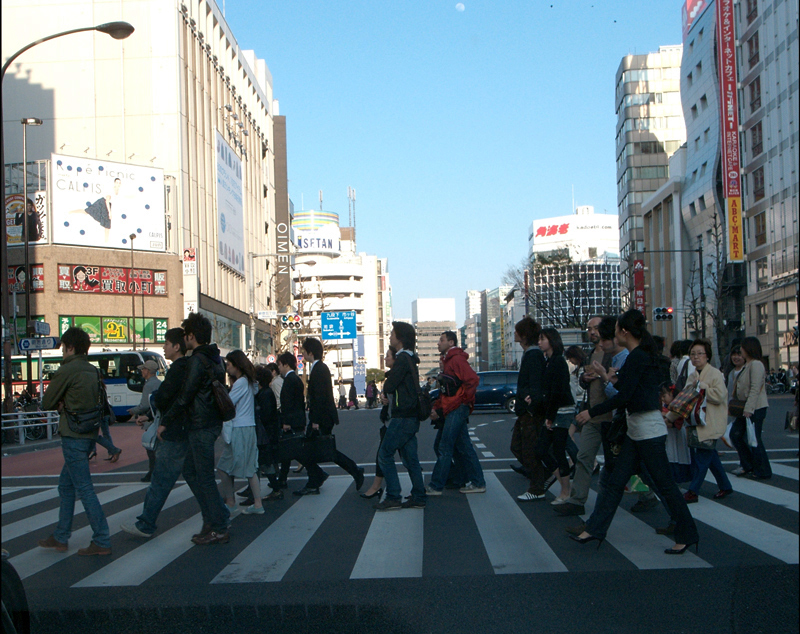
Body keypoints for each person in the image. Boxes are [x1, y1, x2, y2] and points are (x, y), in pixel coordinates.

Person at [574, 309, 699, 555]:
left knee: (665, 486)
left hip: (649, 432)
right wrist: (611, 379)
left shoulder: (638, 356)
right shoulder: (638, 356)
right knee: (614, 483)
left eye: (617, 328)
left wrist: (592, 411)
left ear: (625, 332)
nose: (613, 333)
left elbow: (627, 396)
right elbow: (634, 389)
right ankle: (595, 530)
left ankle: (688, 534)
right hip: (637, 431)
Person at [38, 327, 111, 556]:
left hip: (73, 435)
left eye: (63, 348)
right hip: (89, 433)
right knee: (66, 485)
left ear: (70, 347)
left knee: (84, 489)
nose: (62, 352)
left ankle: (102, 539)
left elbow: (47, 402)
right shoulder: (92, 370)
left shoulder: (67, 370)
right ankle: (60, 536)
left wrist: (61, 404)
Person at [160, 312, 231, 545]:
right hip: (211, 423)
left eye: (186, 335)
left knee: (203, 476)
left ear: (191, 336)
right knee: (191, 471)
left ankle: (218, 525)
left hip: (200, 424)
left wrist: (166, 421)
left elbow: (185, 396)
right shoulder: (216, 358)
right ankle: (212, 518)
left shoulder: (196, 361)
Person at [121, 328, 191, 537]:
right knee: (197, 479)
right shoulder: (187, 367)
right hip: (185, 430)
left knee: (160, 480)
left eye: (167, 343)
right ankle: (220, 518)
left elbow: (163, 399)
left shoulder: (177, 369)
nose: (164, 347)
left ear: (177, 346)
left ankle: (146, 523)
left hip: (174, 431)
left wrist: (159, 417)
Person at [553, 316, 611, 515]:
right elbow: (585, 383)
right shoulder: (589, 355)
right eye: (589, 328)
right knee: (584, 458)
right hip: (592, 415)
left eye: (596, 328)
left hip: (611, 415)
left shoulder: (615, 353)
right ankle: (577, 500)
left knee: (624, 463)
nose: (592, 332)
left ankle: (648, 496)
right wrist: (585, 379)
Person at [296, 337, 365, 496]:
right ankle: (317, 479)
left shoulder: (318, 369)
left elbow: (319, 397)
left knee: (314, 450)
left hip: (321, 418)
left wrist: (315, 421)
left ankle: (350, 471)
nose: (302, 355)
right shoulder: (320, 368)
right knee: (316, 450)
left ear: (310, 353)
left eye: (304, 352)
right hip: (324, 417)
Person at [374, 322, 427, 510]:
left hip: (402, 416)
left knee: (385, 454)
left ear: (400, 338)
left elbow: (389, 385)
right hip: (411, 415)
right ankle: (419, 495)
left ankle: (394, 496)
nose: (390, 336)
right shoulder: (411, 357)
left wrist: (387, 384)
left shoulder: (403, 358)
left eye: (392, 334)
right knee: (411, 458)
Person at [428, 331, 485, 495]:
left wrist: (463, 400)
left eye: (441, 340)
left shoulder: (456, 359)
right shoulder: (449, 360)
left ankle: (437, 485)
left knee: (445, 446)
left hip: (457, 408)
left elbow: (472, 380)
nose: (438, 343)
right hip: (454, 407)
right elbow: (447, 391)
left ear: (451, 342)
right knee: (461, 446)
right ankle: (468, 480)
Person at [680, 339, 733, 502]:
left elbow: (720, 396)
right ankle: (725, 486)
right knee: (709, 455)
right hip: (697, 421)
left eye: (700, 354)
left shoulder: (715, 374)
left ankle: (693, 491)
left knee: (702, 458)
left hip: (710, 422)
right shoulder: (693, 375)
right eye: (693, 354)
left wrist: (702, 387)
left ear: (707, 356)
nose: (696, 357)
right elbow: (686, 395)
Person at [216, 351, 263, 515]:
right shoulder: (249, 382)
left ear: (237, 365)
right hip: (247, 427)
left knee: (226, 467)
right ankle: (255, 504)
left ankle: (233, 502)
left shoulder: (241, 383)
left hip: (239, 428)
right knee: (247, 468)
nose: (227, 368)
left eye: (229, 364)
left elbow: (227, 403)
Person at [533, 328, 574, 504]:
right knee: (542, 450)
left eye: (543, 339)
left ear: (552, 341)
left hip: (561, 411)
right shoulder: (549, 361)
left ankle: (565, 491)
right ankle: (564, 486)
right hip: (553, 410)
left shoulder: (558, 361)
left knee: (557, 450)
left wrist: (549, 416)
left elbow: (557, 391)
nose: (539, 342)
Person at [510, 316, 548, 500]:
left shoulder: (533, 355)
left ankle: (537, 487)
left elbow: (534, 383)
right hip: (527, 410)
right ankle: (541, 477)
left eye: (517, 331)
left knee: (527, 449)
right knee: (518, 446)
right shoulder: (532, 354)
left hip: (530, 412)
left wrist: (530, 402)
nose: (515, 334)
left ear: (524, 335)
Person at [729, 337, 771, 479]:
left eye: (742, 348)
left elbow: (755, 388)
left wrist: (749, 408)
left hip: (755, 408)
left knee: (754, 439)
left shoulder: (756, 365)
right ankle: (749, 465)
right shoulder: (748, 365)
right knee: (736, 435)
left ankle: (762, 470)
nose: (740, 351)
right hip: (745, 408)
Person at [361, 347, 397, 499]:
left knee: (383, 454)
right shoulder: (394, 375)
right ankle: (419, 490)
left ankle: (390, 491)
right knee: (409, 457)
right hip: (392, 421)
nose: (385, 358)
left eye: (388, 356)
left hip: (396, 422)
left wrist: (390, 401)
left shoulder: (399, 376)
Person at [276, 352, 307, 488]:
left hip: (292, 421)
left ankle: (316, 472)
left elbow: (288, 404)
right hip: (297, 419)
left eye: (280, 365)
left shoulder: (290, 380)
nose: (279, 368)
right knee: (289, 451)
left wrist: (286, 422)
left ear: (286, 364)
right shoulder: (296, 379)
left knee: (293, 451)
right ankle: (282, 479)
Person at [129, 360, 162, 483]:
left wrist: (133, 411)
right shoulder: (159, 383)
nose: (141, 371)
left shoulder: (148, 385)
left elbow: (144, 405)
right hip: (158, 417)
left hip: (151, 419)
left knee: (150, 447)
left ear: (147, 371)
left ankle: (152, 472)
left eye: (143, 369)